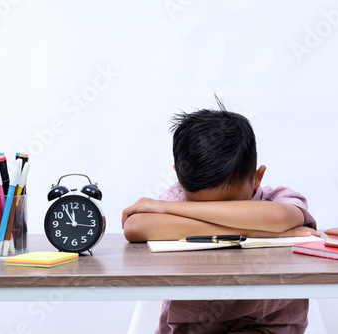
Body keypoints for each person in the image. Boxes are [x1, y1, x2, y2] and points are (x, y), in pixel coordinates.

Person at [122, 97, 319, 334]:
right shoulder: (176, 196)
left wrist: (170, 209)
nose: (218, 212)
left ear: (257, 177)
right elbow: (135, 227)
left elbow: (276, 219)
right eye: (198, 205)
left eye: (231, 207)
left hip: (266, 326)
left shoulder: (277, 199)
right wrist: (255, 233)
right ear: (180, 178)